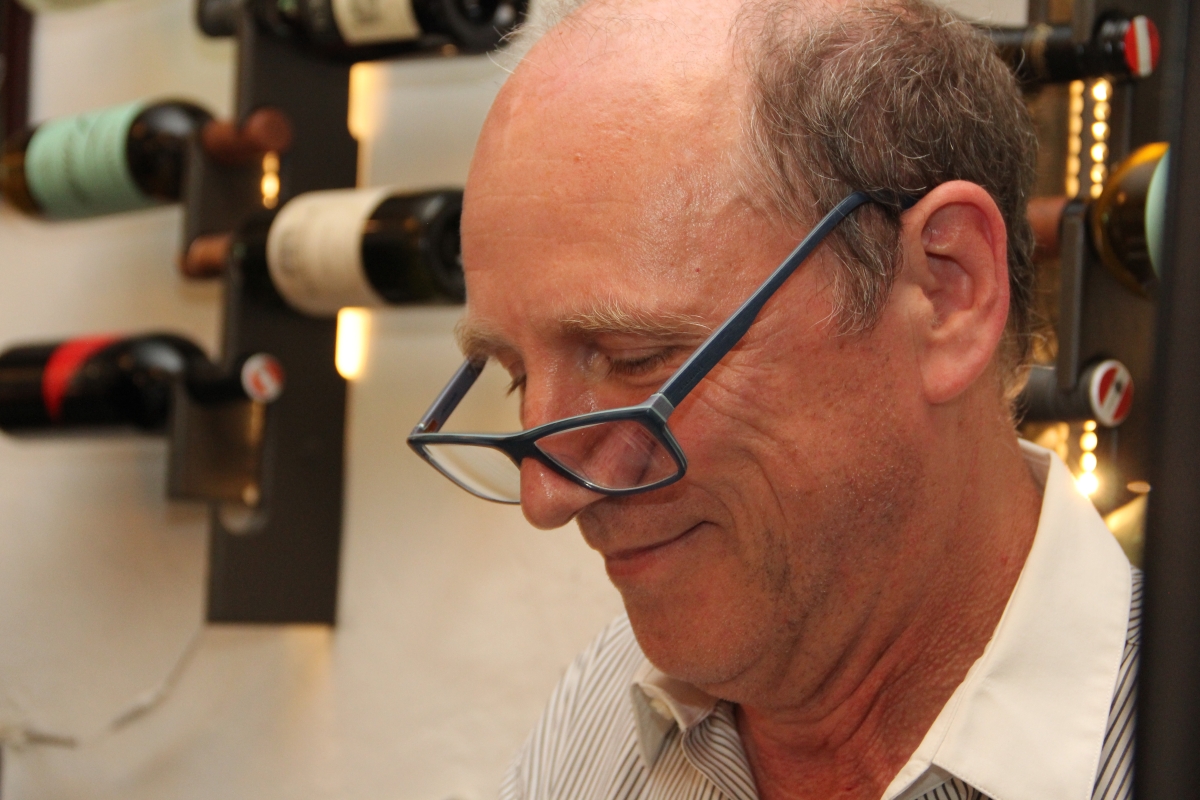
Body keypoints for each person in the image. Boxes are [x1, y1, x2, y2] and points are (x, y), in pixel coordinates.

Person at [407, 0, 1139, 797]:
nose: (547, 498)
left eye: (634, 359)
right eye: (515, 375)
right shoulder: (609, 716)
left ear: (944, 292)